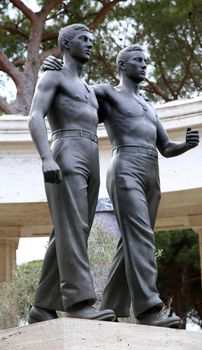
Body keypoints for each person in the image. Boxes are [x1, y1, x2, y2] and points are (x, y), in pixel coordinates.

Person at [44, 44, 199, 327]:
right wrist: (51, 68)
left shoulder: (148, 106)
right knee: (141, 238)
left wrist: (185, 145)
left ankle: (114, 305)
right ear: (122, 65)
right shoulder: (106, 92)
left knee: (134, 242)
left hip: (152, 169)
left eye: (145, 61)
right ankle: (149, 310)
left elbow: (165, 146)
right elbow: (75, 94)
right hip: (125, 165)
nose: (144, 65)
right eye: (137, 60)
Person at [28, 23, 116, 324]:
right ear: (66, 44)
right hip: (65, 149)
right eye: (83, 39)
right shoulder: (53, 76)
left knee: (74, 228)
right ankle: (78, 302)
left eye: (92, 39)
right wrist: (45, 157)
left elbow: (121, 104)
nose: (90, 44)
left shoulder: (92, 91)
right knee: (73, 227)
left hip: (91, 152)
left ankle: (42, 305)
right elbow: (34, 116)